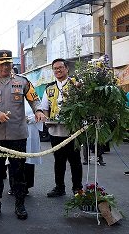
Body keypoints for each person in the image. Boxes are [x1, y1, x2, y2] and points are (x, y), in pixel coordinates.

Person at [0, 49, 45, 220]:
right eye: (1, 64)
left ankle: (20, 205)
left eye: (8, 64)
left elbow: (34, 98)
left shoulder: (23, 82)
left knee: (18, 172)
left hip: (17, 135)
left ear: (11, 64)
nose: (5, 67)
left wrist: (37, 110)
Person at [41, 58, 83, 198]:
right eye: (55, 68)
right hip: (55, 131)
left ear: (67, 69)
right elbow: (45, 107)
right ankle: (59, 187)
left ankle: (78, 188)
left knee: (75, 161)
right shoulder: (50, 88)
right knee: (59, 161)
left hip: (72, 131)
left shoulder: (76, 85)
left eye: (60, 68)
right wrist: (47, 119)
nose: (58, 70)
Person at [8, 101, 43, 195]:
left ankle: (26, 185)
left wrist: (28, 119)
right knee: (13, 158)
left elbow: (39, 112)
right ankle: (13, 185)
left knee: (28, 159)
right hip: (14, 131)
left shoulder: (32, 97)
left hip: (30, 130)